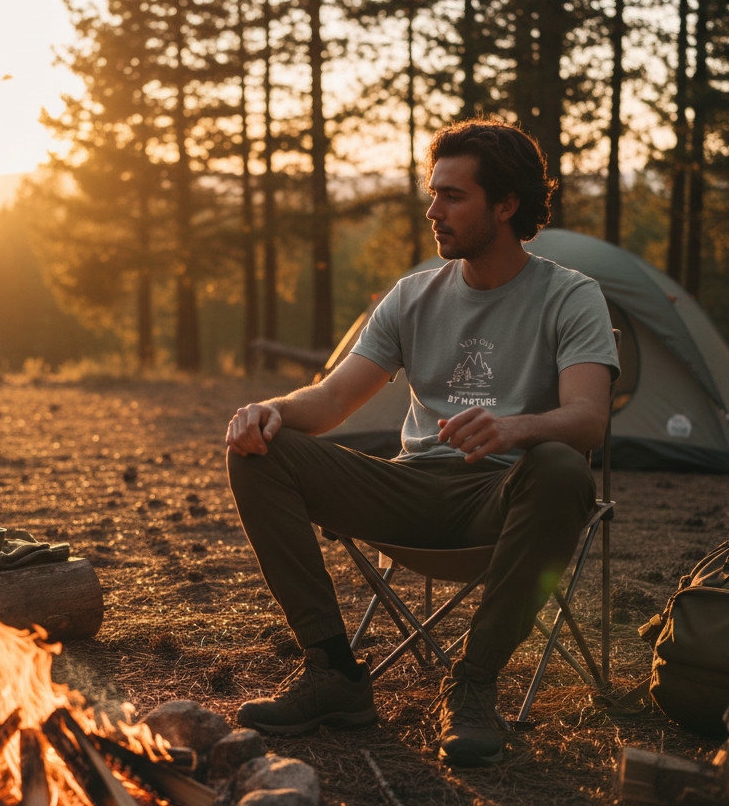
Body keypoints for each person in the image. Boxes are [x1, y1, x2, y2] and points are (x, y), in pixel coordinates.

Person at [224, 119, 619, 767]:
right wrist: (269, 410)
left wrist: (516, 427)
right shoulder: (412, 297)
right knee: (259, 451)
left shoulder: (570, 297)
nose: (433, 211)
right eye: (433, 194)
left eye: (453, 197)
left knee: (561, 468)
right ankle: (333, 673)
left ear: (506, 205)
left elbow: (588, 419)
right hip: (410, 491)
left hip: (505, 500)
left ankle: (473, 685)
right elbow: (330, 401)